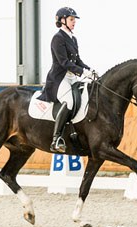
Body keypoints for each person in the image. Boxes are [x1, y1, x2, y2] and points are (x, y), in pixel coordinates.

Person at [38, 7, 96, 153]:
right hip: (59, 79)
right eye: (71, 19)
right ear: (62, 20)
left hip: (72, 78)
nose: (74, 22)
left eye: (74, 20)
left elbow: (78, 60)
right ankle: (56, 139)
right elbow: (64, 62)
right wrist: (82, 72)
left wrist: (90, 70)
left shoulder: (73, 38)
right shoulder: (58, 38)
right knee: (69, 101)